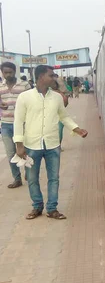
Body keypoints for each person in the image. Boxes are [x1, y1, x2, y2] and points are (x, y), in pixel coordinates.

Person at [14, 65, 88, 220]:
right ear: (41, 77)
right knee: (32, 178)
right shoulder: (25, 97)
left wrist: (77, 129)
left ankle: (52, 208)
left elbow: (64, 116)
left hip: (53, 145)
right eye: (51, 75)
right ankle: (37, 206)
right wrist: (19, 145)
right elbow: (18, 121)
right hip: (32, 145)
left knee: (54, 178)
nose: (54, 78)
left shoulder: (56, 97)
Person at [0, 62, 31, 188]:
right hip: (6, 125)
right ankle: (17, 178)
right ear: (2, 73)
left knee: (25, 151)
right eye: (5, 72)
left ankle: (29, 173)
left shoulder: (25, 85)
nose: (8, 75)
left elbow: (31, 100)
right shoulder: (0, 86)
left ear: (14, 71)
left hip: (23, 124)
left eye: (10, 72)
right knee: (11, 153)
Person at [51, 74, 69, 150]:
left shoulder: (47, 93)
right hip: (59, 116)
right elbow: (66, 103)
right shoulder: (61, 94)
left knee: (56, 132)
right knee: (59, 131)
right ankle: (57, 146)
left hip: (56, 116)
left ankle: (55, 146)